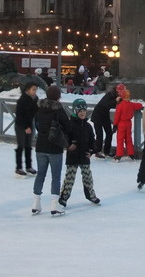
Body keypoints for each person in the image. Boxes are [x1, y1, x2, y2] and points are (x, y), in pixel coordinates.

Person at [32, 86, 72, 216]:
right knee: (56, 176)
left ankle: (36, 203)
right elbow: (68, 125)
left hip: (41, 146)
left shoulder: (39, 108)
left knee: (40, 174)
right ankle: (55, 204)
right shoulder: (58, 109)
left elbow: (36, 124)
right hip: (55, 147)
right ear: (57, 96)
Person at [58, 99, 100, 208]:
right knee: (70, 177)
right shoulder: (70, 124)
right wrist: (68, 145)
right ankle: (63, 197)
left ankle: (91, 195)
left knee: (87, 176)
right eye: (80, 110)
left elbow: (92, 140)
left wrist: (92, 151)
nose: (82, 113)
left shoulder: (88, 126)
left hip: (84, 155)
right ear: (75, 111)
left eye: (84, 111)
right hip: (73, 155)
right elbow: (64, 136)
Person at [91, 83, 123, 158]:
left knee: (109, 133)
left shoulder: (116, 96)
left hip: (105, 116)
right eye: (120, 92)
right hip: (97, 115)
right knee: (100, 135)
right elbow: (106, 104)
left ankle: (107, 151)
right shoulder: (109, 95)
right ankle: (97, 151)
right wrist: (116, 101)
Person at [14, 81, 39, 176]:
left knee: (28, 146)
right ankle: (19, 167)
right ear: (28, 90)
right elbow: (19, 116)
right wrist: (25, 127)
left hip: (30, 124)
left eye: (36, 90)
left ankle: (29, 166)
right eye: (33, 89)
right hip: (21, 125)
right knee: (21, 146)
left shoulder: (35, 99)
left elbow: (36, 112)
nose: (35, 91)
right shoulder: (22, 100)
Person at [113, 88, 143, 161]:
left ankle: (119, 155)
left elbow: (117, 116)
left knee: (120, 139)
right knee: (128, 139)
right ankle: (131, 153)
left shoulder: (119, 106)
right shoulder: (131, 104)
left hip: (121, 123)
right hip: (129, 123)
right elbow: (139, 105)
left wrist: (115, 125)